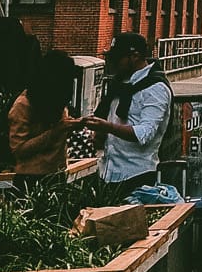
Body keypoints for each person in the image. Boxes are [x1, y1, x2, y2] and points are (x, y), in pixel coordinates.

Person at [67, 31, 174, 199]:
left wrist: (108, 127)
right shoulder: (120, 83)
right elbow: (108, 116)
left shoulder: (155, 89)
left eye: (118, 59)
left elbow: (144, 134)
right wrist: (99, 134)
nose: (113, 63)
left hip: (137, 175)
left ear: (135, 56)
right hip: (108, 173)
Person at [9, 49, 76, 180]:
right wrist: (56, 131)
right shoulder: (23, 105)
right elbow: (19, 150)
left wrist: (70, 127)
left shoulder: (58, 99)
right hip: (31, 177)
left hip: (57, 173)